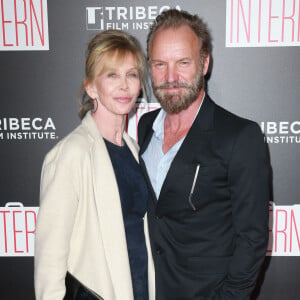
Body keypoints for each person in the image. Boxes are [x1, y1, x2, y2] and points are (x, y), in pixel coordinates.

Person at [138, 9, 270, 300]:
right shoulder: (145, 127)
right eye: (160, 64)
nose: (170, 77)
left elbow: (252, 238)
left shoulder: (240, 137)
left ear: (205, 63)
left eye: (183, 62)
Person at [35, 30, 154, 300]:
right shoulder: (70, 155)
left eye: (132, 75)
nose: (124, 85)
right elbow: (49, 260)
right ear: (91, 87)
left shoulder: (134, 150)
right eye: (112, 75)